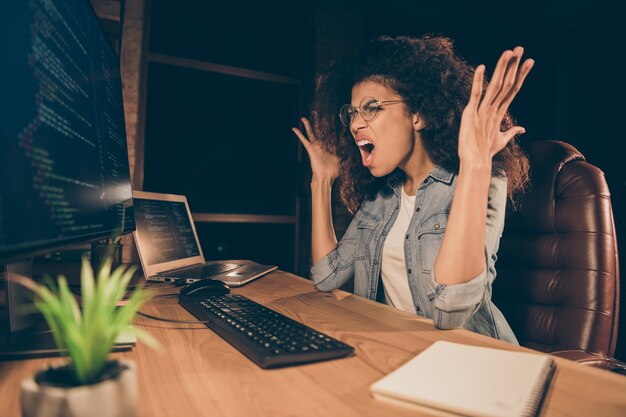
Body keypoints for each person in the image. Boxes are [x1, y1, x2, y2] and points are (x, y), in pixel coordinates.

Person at [291, 36, 534, 343]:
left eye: (371, 108)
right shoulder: (382, 198)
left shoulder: (483, 180)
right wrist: (322, 181)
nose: (355, 124)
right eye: (352, 113)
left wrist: (474, 163)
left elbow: (451, 310)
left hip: (474, 359)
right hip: (399, 352)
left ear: (417, 115)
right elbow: (327, 278)